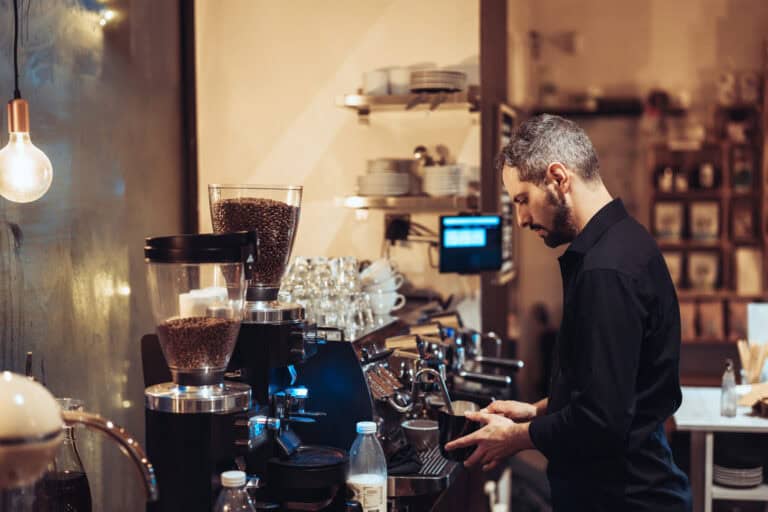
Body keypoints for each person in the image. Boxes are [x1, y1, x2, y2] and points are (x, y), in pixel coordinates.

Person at [445, 114, 692, 511]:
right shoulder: (624, 242)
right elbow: (610, 385)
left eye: (523, 200)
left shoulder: (606, 271)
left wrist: (518, 437)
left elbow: (602, 421)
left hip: (625, 498)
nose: (522, 219)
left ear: (558, 178)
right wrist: (537, 409)